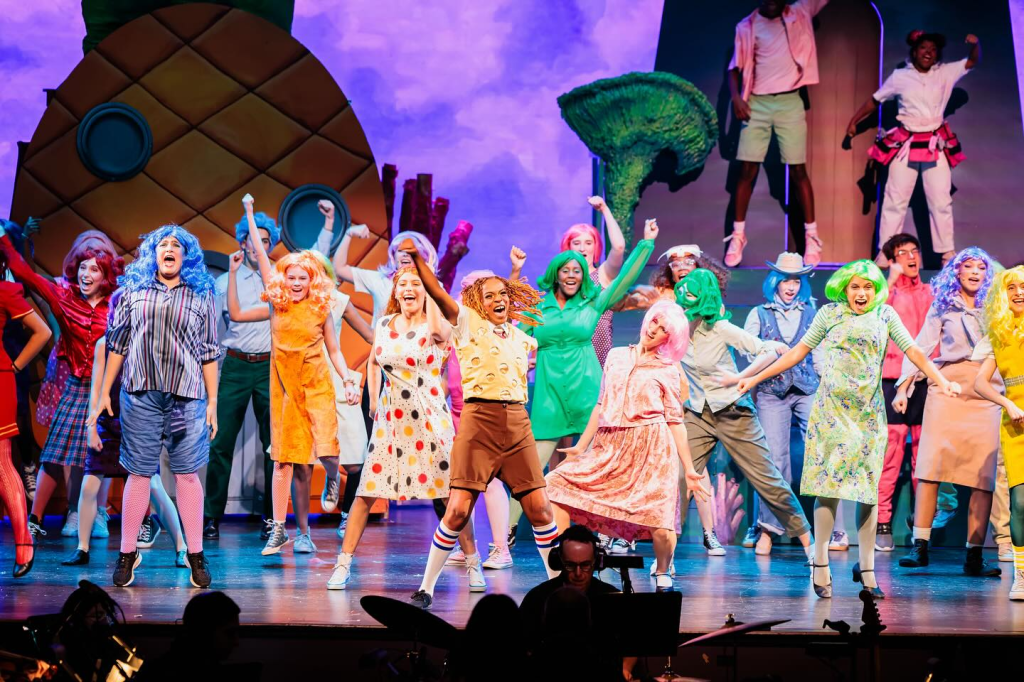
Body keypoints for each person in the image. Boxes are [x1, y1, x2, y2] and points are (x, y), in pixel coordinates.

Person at [738, 260, 961, 600]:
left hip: (868, 417)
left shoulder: (885, 315)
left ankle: (867, 569)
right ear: (844, 288)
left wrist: (942, 380)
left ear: (876, 290)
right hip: (831, 414)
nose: (861, 293)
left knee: (868, 493)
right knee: (827, 490)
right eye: (855, 286)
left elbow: (914, 350)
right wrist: (754, 378)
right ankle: (820, 561)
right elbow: (798, 353)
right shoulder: (829, 314)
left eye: (868, 287)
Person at [402, 239, 559, 609]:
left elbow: (509, 303)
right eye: (489, 296)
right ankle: (426, 587)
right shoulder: (467, 323)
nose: (498, 300)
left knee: (540, 509)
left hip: (517, 424)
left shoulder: (521, 338)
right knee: (458, 509)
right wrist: (418, 259)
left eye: (502, 294)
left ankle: (560, 589)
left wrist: (513, 275)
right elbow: (438, 294)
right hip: (478, 423)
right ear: (477, 303)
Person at [327, 262, 478, 591]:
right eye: (403, 284)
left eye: (416, 284)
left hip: (430, 420)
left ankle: (472, 561)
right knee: (367, 492)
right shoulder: (384, 323)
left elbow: (440, 334)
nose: (409, 289)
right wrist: (372, 401)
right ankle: (343, 564)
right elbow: (373, 362)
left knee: (449, 496)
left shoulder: (436, 324)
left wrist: (432, 292)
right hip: (391, 421)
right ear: (395, 291)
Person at [506, 221, 657, 541]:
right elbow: (510, 331)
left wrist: (646, 244)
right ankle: (504, 535)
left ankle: (604, 533)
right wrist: (515, 272)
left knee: (598, 467)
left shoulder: (593, 302)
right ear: (555, 275)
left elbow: (624, 278)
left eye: (577, 270)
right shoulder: (537, 308)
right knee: (529, 471)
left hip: (587, 394)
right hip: (549, 397)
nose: (572, 274)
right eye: (566, 270)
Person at [546, 301, 707, 591]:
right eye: (654, 322)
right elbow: (600, 405)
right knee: (555, 485)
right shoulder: (616, 356)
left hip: (652, 450)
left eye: (663, 329)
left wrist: (690, 468)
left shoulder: (668, 370)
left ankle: (662, 569)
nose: (654, 330)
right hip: (611, 447)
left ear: (669, 339)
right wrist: (581, 447)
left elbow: (675, 421)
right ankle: (561, 563)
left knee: (660, 524)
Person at [231, 195, 357, 556]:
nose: (297, 282)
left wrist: (348, 378)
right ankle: (279, 529)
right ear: (283, 280)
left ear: (312, 281)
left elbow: (335, 351)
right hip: (285, 390)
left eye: (303, 278)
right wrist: (250, 213)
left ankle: (332, 477)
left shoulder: (320, 308)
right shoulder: (278, 303)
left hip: (316, 385)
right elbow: (260, 252)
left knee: (327, 450)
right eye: (291, 277)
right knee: (283, 459)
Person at [94, 224, 219, 589]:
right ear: (153, 253)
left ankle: (195, 553)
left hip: (186, 396)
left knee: (187, 474)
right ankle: (127, 552)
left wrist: (213, 400)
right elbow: (117, 344)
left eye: (176, 245)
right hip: (140, 394)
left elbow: (209, 350)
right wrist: (103, 392)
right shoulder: (132, 292)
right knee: (139, 473)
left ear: (186, 256)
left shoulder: (201, 294)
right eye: (163, 244)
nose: (169, 249)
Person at [675, 269, 815, 558]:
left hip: (733, 412)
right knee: (679, 478)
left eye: (692, 292)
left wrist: (742, 377)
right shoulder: (678, 329)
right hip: (698, 413)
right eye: (684, 292)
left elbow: (768, 351)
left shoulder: (720, 328)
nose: (686, 296)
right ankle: (666, 556)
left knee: (768, 479)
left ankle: (811, 547)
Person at [0, 221, 123, 540]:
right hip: (76, 384)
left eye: (94, 269)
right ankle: (43, 517)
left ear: (105, 274)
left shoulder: (119, 302)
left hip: (109, 388)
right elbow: (25, 274)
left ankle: (100, 514)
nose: (86, 274)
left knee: (108, 453)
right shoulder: (64, 297)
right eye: (82, 267)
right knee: (58, 451)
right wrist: (4, 239)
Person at [617, 244, 730, 557]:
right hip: (658, 381)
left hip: (692, 388)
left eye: (688, 261)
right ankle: (629, 533)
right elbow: (621, 301)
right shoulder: (661, 296)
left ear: (699, 265)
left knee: (694, 462)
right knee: (645, 460)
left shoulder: (708, 299)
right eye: (675, 262)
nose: (681, 266)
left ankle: (709, 532)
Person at [894, 247, 1001, 576]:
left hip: (986, 393)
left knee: (983, 478)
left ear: (987, 274)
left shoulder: (997, 307)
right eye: (968, 266)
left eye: (980, 267)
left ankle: (974, 556)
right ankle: (920, 546)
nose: (974, 272)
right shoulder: (943, 305)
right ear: (957, 272)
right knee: (930, 467)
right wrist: (903, 387)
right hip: (947, 388)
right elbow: (921, 346)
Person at [63, 300, 188, 569]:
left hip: (141, 422)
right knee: (89, 485)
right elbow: (97, 388)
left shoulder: (150, 342)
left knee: (154, 487)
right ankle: (82, 548)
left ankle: (182, 547)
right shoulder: (104, 344)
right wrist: (91, 427)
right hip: (109, 422)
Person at [846, 31, 981, 266]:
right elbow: (875, 100)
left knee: (940, 200)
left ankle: (946, 255)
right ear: (914, 51)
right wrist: (854, 122)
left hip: (934, 143)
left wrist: (976, 44)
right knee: (894, 200)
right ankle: (885, 254)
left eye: (933, 49)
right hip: (906, 143)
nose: (928, 52)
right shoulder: (900, 77)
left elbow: (971, 62)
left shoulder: (945, 73)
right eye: (923, 48)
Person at [739, 252, 839, 554]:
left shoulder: (812, 312)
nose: (791, 286)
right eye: (786, 280)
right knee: (774, 459)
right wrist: (763, 358)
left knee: (822, 451)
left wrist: (828, 386)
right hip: (772, 391)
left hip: (807, 388)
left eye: (796, 280)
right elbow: (747, 350)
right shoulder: (759, 313)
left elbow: (820, 354)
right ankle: (767, 528)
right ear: (775, 281)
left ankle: (832, 529)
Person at [726, 0, 829, 267]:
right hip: (757, 102)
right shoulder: (747, 26)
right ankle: (738, 236)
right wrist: (736, 98)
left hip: (790, 101)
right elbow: (734, 68)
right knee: (747, 170)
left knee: (798, 170)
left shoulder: (800, 12)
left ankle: (812, 238)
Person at [873, 234, 958, 551]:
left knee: (924, 456)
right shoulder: (885, 295)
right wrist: (888, 281)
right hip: (892, 381)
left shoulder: (931, 292)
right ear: (892, 260)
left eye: (914, 251)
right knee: (890, 454)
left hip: (926, 381)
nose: (911, 257)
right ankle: (882, 522)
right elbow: (873, 322)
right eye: (902, 253)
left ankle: (921, 523)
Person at [203, 210, 280, 542]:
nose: (258, 246)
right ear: (242, 242)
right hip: (234, 365)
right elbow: (214, 326)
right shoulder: (224, 283)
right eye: (253, 240)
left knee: (273, 445)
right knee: (220, 442)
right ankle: (211, 517)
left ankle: (273, 518)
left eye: (265, 241)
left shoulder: (277, 279)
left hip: (269, 366)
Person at [971, 266, 1024, 600]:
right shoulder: (999, 334)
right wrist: (1007, 403)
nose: (1018, 292)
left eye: (1023, 286)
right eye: (1012, 287)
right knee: (1020, 502)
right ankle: (1022, 576)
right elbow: (979, 383)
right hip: (1017, 427)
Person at [0, 237, 50, 576]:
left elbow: (42, 332)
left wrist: (14, 367)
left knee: (2, 462)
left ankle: (23, 542)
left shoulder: (4, 291)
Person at [518, 525, 619, 643]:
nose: (578, 573)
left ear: (596, 562)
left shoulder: (612, 600)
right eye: (570, 565)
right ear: (558, 561)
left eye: (585, 565)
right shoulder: (537, 599)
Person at [559, 195, 627, 366]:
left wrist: (604, 209)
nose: (582, 248)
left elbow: (619, 247)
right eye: (576, 243)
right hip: (567, 357)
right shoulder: (560, 281)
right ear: (568, 247)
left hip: (597, 356)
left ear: (596, 247)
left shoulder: (603, 274)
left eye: (588, 243)